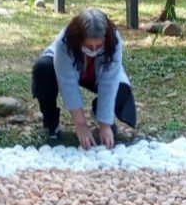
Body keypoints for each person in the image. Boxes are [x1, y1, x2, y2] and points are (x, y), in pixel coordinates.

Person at [32, 8, 137, 149]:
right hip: (65, 69)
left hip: (97, 73)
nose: (94, 50)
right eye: (89, 46)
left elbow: (109, 82)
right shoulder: (64, 42)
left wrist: (105, 124)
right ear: (79, 39)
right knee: (42, 69)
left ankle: (99, 111)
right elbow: (67, 83)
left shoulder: (114, 41)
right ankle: (51, 123)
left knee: (122, 91)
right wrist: (80, 125)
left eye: (99, 46)